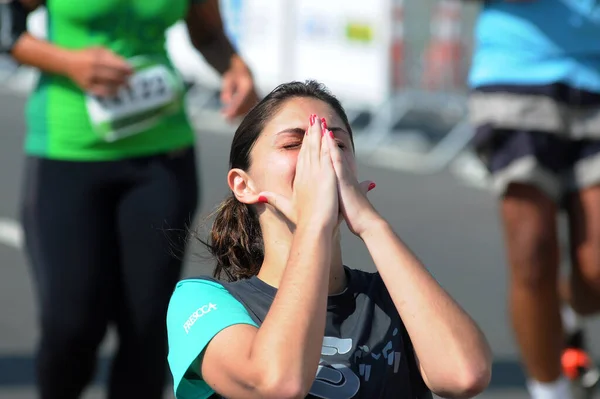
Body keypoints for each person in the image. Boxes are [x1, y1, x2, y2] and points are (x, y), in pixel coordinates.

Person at [166, 80, 492, 399]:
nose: (321, 157)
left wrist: (369, 224)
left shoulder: (395, 296)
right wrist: (314, 223)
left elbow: (465, 375)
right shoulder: (202, 302)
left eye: (336, 145)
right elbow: (277, 384)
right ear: (243, 185)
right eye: (295, 144)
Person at [5, 0, 258, 398]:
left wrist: (234, 67)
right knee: (71, 327)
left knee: (147, 326)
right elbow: (7, 25)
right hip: (67, 154)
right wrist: (67, 62)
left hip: (161, 158)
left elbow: (206, 32)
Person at [467, 0, 600, 398]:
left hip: (594, 77)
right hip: (514, 71)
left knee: (595, 271)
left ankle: (565, 312)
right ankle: (551, 390)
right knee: (532, 253)